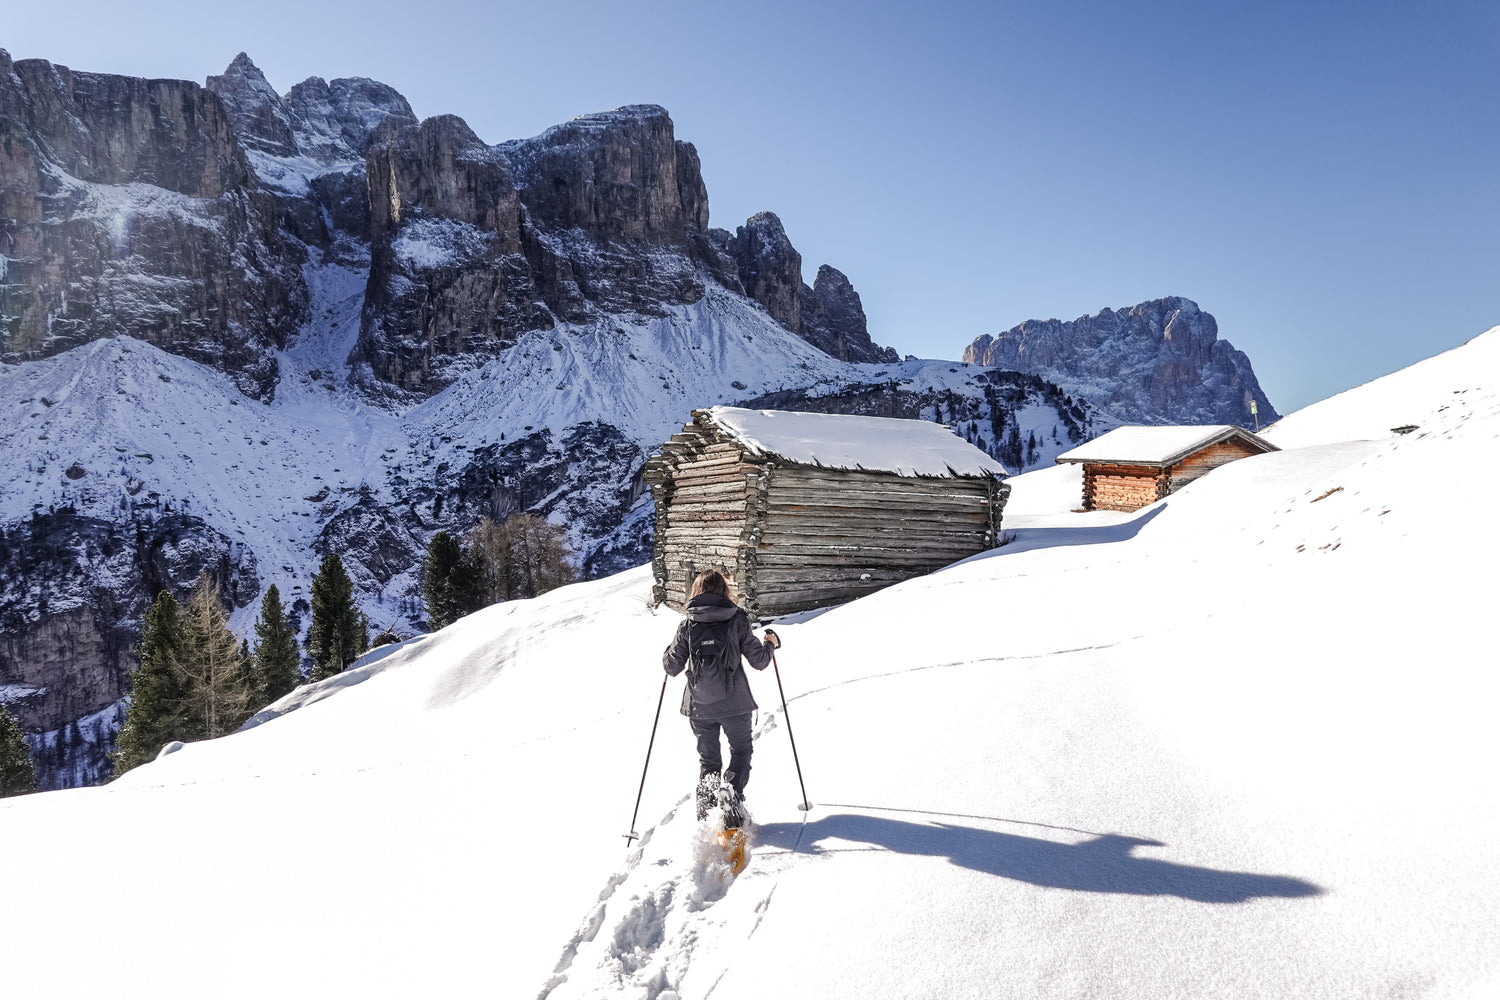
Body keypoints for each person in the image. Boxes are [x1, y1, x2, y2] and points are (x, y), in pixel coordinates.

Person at [663, 569, 780, 827]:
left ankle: (706, 822)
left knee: (709, 761)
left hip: (698, 706)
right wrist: (770, 642)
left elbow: (672, 668)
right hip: (735, 705)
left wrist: (667, 653)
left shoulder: (687, 624)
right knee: (741, 751)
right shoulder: (737, 619)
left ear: (697, 591)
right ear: (724, 590)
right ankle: (732, 791)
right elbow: (760, 661)